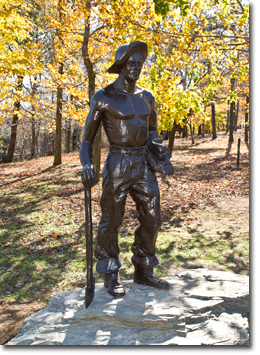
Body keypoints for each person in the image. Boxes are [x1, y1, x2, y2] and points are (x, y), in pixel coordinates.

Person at [80, 41, 174, 298]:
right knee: (112, 219)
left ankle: (144, 268)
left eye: (139, 64)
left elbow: (153, 129)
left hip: (143, 164)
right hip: (118, 163)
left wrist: (157, 146)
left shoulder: (147, 97)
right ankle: (110, 271)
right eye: (131, 63)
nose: (136, 68)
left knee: (153, 217)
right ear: (121, 66)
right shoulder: (104, 97)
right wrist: (87, 164)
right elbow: (87, 140)